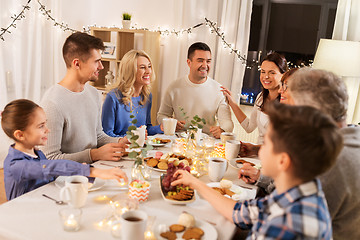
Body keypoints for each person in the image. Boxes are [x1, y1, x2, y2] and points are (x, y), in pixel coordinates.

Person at [172, 103, 343, 239]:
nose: (259, 151)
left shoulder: (282, 225)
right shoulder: (300, 192)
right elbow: (241, 213)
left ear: (283, 161)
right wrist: (196, 184)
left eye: (266, 144)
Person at [239, 68, 360, 239]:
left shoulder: (330, 160)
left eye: (291, 105)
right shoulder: (350, 137)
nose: (282, 95)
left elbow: (280, 211)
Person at [1, 99, 128, 200]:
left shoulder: (37, 153)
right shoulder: (16, 165)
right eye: (41, 126)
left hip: (45, 203)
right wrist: (92, 171)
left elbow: (53, 176)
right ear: (20, 135)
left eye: (46, 123)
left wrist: (82, 174)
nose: (47, 129)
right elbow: (51, 167)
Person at [40, 32, 128, 164]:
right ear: (77, 64)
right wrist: (94, 155)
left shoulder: (93, 93)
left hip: (94, 171)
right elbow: (50, 159)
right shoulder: (52, 103)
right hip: (67, 181)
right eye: (97, 61)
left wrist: (120, 142)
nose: (101, 67)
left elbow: (98, 136)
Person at [157, 42, 233, 139]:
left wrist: (222, 130)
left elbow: (228, 123)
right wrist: (171, 124)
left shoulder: (219, 90)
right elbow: (161, 115)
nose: (205, 65)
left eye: (208, 61)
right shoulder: (174, 87)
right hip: (179, 141)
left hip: (205, 143)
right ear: (189, 62)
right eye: (200, 60)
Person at [221, 52, 288, 144]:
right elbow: (249, 127)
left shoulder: (287, 102)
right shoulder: (261, 97)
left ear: (283, 75)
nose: (266, 76)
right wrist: (232, 103)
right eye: (263, 72)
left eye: (272, 72)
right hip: (258, 153)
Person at [102, 50, 163, 137]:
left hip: (139, 148)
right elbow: (106, 135)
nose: (148, 71)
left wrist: (160, 128)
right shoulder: (113, 97)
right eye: (142, 67)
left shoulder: (147, 96)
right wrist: (132, 138)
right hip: (119, 149)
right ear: (130, 71)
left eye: (149, 66)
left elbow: (146, 129)